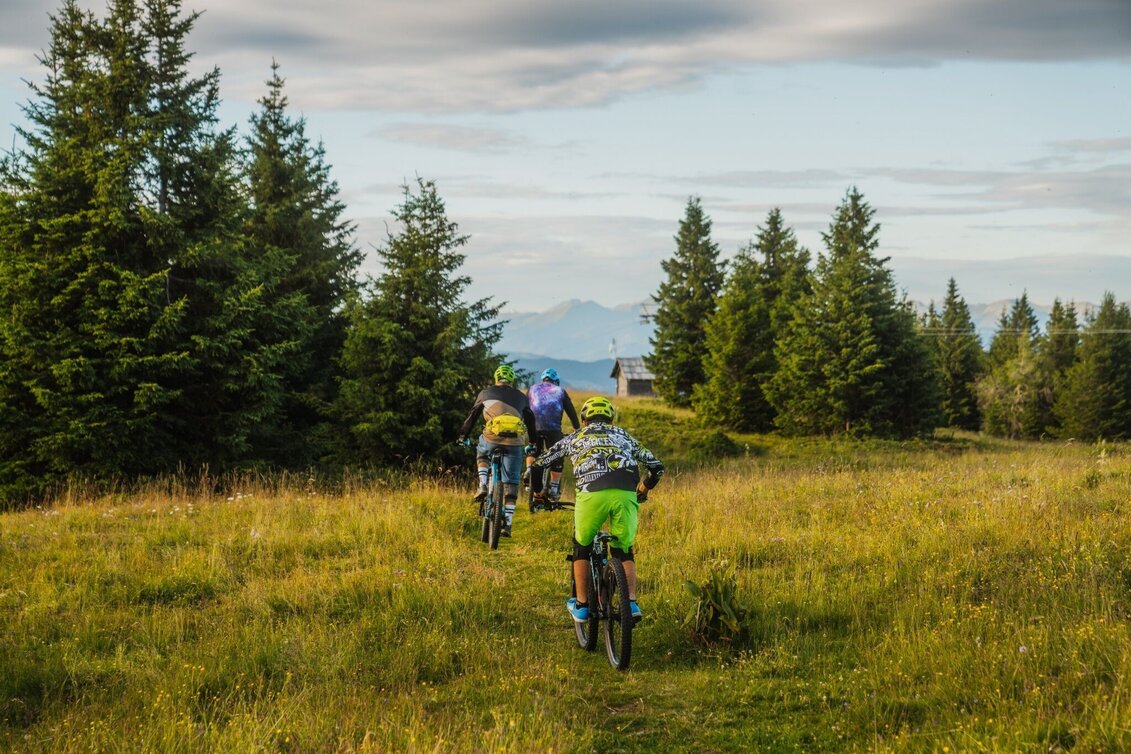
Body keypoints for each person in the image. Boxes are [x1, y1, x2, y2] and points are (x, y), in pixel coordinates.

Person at [531, 396, 663, 621]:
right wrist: (644, 487)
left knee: (581, 548)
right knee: (624, 551)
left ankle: (582, 606)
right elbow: (657, 467)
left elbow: (538, 464)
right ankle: (630, 604)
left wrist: (538, 493)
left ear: (583, 420)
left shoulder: (574, 437)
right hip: (625, 494)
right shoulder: (623, 436)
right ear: (610, 420)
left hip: (591, 495)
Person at [458, 364, 538, 537]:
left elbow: (472, 417)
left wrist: (463, 436)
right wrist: (532, 442)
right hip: (515, 442)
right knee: (512, 481)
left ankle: (483, 483)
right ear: (511, 381)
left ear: (495, 379)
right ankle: (507, 523)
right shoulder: (521, 397)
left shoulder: (485, 393)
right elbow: (531, 420)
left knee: (481, 450)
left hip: (491, 439)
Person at [524, 367, 580, 508]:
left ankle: (530, 469)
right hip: (553, 429)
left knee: (533, 450)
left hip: (534, 428)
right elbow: (571, 412)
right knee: (557, 455)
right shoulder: (560, 391)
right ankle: (554, 488)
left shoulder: (532, 389)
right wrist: (577, 429)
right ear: (556, 381)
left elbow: (524, 408)